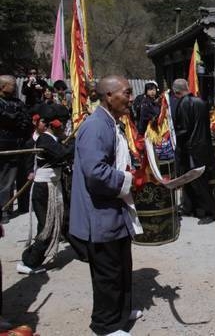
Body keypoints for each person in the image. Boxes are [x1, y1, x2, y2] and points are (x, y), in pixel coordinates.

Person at [69, 75, 143, 336]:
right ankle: (106, 325)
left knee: (122, 265)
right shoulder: (96, 126)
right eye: (127, 92)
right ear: (109, 96)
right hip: (98, 214)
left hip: (114, 209)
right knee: (108, 272)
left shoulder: (113, 123)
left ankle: (121, 312)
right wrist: (130, 180)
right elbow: (96, 172)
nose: (131, 98)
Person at [17, 103, 74, 274]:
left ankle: (32, 259)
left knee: (54, 222)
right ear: (55, 124)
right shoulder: (45, 139)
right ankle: (29, 261)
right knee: (47, 226)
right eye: (62, 122)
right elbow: (62, 154)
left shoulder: (52, 139)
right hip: (43, 188)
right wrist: (75, 144)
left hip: (52, 186)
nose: (63, 126)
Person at [173, 79, 215, 225]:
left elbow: (184, 129)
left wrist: (173, 136)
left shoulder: (183, 103)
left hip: (191, 148)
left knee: (199, 183)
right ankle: (191, 208)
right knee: (195, 182)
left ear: (176, 92)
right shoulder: (201, 101)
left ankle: (212, 213)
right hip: (203, 147)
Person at [0, 75, 31, 224]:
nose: (15, 88)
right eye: (12, 85)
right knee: (5, 179)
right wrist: (13, 118)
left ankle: (23, 205)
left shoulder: (18, 102)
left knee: (22, 176)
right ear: (3, 86)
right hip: (4, 146)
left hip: (20, 144)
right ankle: (4, 208)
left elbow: (25, 119)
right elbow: (7, 118)